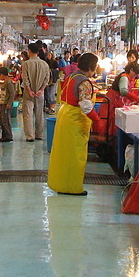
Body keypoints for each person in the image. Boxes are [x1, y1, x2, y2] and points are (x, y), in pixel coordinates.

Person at [47, 52, 104, 196]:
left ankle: (60, 183)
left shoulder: (73, 76)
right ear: (92, 66)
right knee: (74, 155)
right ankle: (72, 187)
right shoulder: (84, 82)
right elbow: (85, 105)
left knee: (63, 153)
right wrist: (97, 120)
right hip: (75, 119)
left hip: (65, 115)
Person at [99, 61, 139, 138]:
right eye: (135, 74)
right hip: (112, 103)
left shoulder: (127, 77)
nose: (135, 76)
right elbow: (123, 91)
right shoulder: (124, 77)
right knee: (110, 124)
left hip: (116, 102)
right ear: (131, 70)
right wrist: (135, 98)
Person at [21, 42, 50, 142]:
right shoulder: (45, 64)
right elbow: (47, 79)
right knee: (39, 114)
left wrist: (29, 91)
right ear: (38, 52)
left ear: (29, 51)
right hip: (40, 93)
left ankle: (30, 136)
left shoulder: (26, 64)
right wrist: (41, 90)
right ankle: (39, 134)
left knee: (28, 114)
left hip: (28, 93)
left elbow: (25, 79)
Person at [0, 67, 16, 142]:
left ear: (1, 74)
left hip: (6, 104)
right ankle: (4, 135)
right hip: (3, 103)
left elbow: (12, 93)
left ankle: (8, 136)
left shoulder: (8, 82)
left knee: (6, 120)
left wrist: (9, 103)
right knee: (3, 120)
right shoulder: (5, 82)